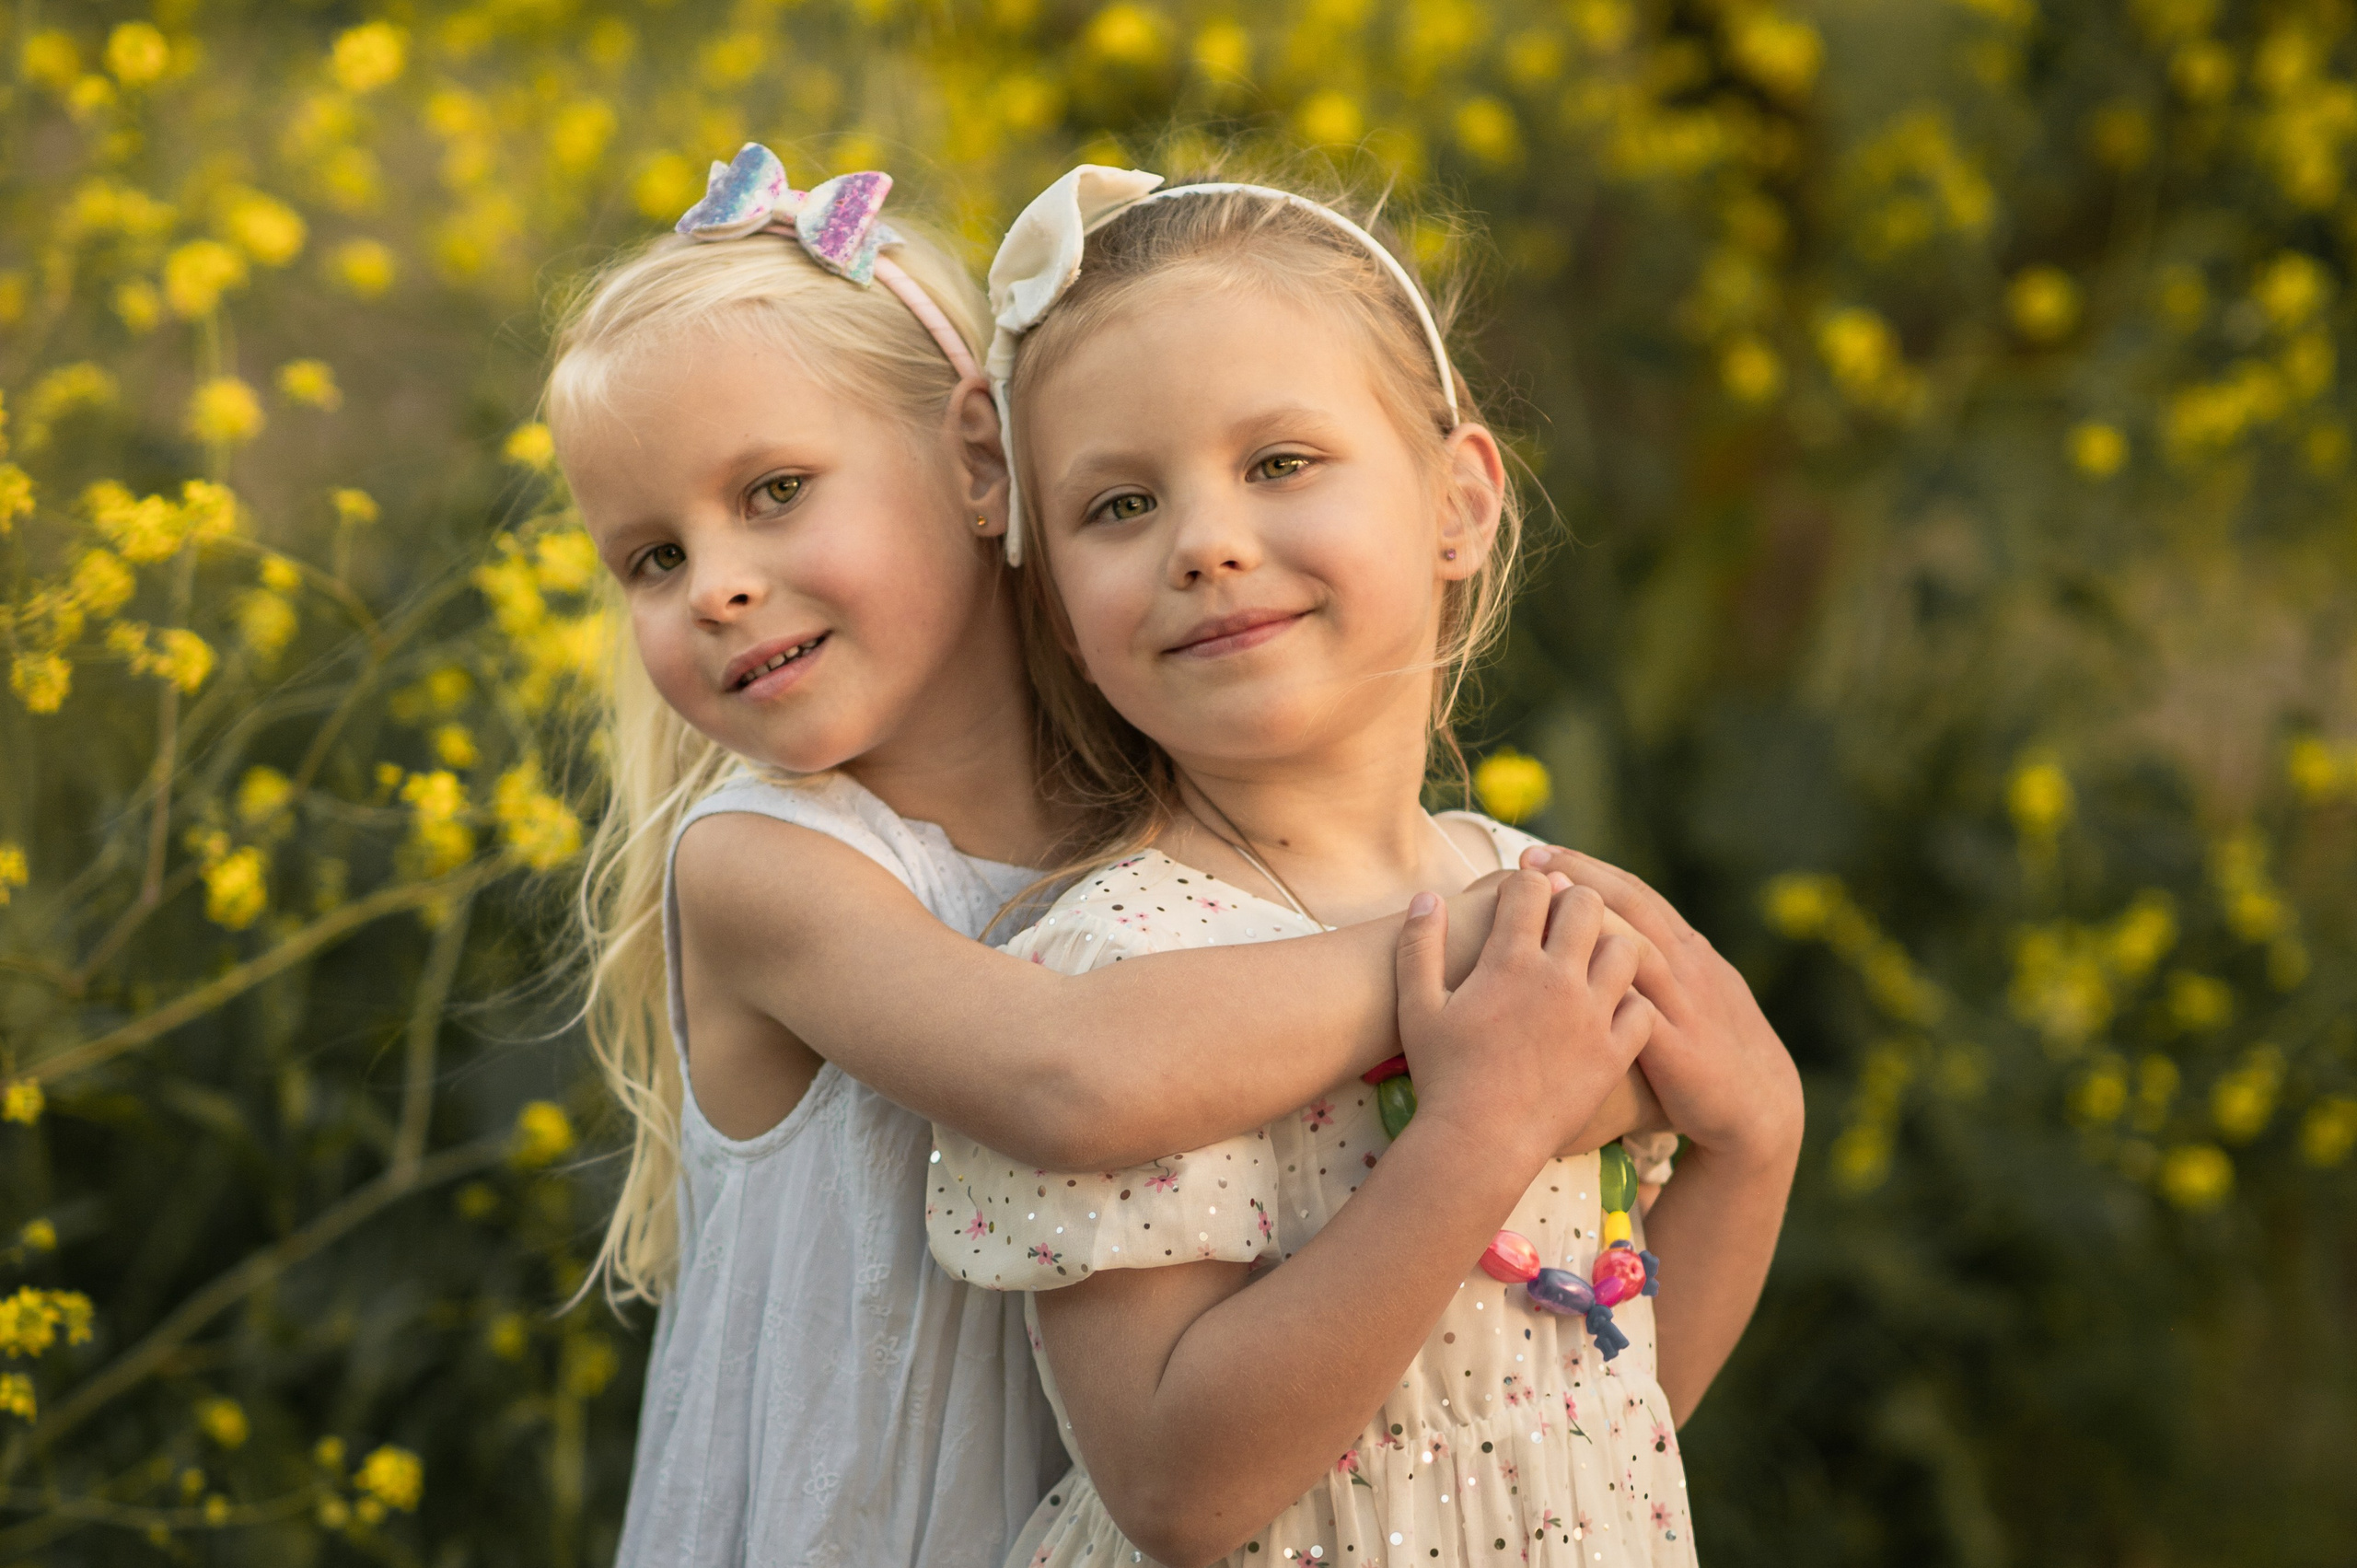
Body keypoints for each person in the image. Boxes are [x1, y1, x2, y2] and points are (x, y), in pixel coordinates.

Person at [546, 145, 1672, 1568]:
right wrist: (1480, 954)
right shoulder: (764, 862)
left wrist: (1674, 1071)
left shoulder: (1168, 831)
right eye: (651, 559)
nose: (714, 586)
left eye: (774, 491)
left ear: (978, 463)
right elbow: (1067, 1082)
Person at [926, 167, 1806, 1568]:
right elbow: (1177, 1493)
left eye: (1279, 464)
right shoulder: (1130, 966)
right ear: (1056, 603)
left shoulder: (1534, 893)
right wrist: (1476, 1136)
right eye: (1120, 505)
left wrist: (1756, 1143)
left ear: (1458, 504)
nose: (1206, 544)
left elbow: (1609, 1411)